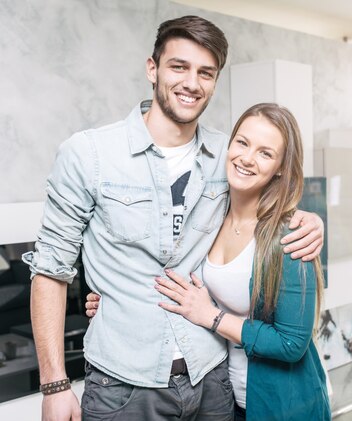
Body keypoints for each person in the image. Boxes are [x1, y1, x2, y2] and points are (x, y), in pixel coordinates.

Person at [23, 16, 323, 421]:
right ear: (153, 68)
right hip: (122, 387)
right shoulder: (90, 155)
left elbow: (271, 194)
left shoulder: (228, 153)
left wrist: (310, 221)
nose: (191, 83)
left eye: (205, 72)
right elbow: (50, 271)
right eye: (178, 66)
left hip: (212, 379)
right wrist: (55, 384)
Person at [89, 103, 331, 420]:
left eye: (265, 153)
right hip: (225, 396)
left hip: (283, 406)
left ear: (281, 168)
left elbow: (291, 344)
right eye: (242, 143)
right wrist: (117, 299)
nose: (247, 158)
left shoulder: (288, 238)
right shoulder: (209, 213)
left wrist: (211, 317)